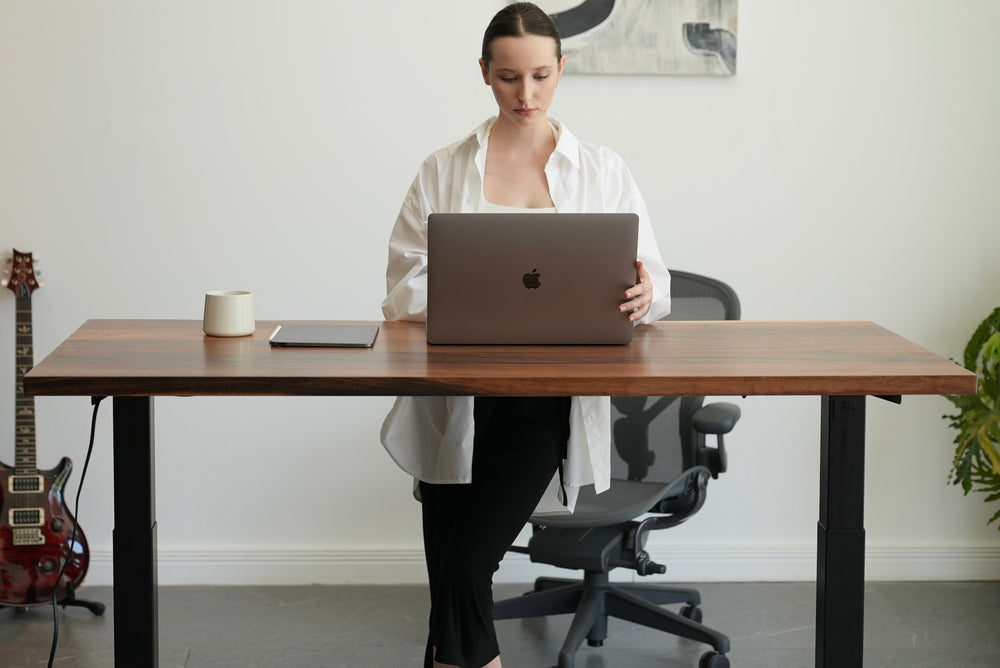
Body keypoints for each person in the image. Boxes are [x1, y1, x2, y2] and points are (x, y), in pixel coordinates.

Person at [380, 4, 671, 667]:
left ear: (562, 70)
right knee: (451, 586)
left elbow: (653, 281)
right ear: (484, 73)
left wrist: (645, 292)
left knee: (463, 569)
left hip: (544, 402)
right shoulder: (443, 170)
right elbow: (401, 288)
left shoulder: (602, 169)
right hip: (452, 398)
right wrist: (468, 293)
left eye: (541, 76)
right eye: (509, 77)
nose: (527, 94)